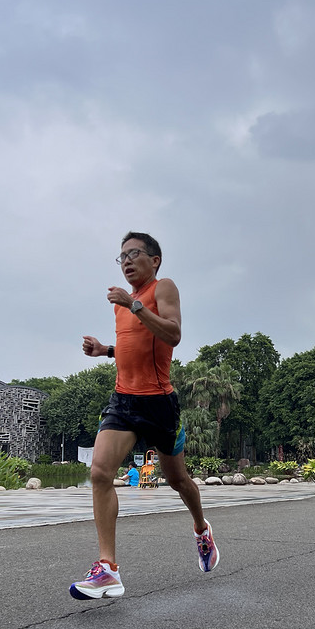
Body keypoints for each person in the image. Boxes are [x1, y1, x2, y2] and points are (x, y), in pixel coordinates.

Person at [71, 232, 218, 599]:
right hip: (124, 400)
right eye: (121, 256)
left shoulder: (162, 288)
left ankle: (201, 529)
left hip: (159, 403)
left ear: (154, 260)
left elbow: (173, 334)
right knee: (100, 472)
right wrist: (106, 350)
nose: (126, 261)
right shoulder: (120, 305)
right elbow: (130, 347)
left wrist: (135, 305)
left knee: (178, 481)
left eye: (134, 253)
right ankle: (108, 568)